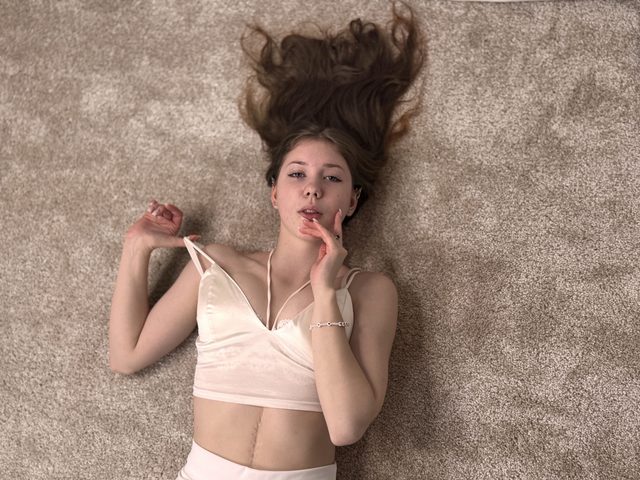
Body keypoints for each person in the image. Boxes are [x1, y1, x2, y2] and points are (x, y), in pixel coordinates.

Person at [109, 2, 424, 478]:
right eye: (297, 174)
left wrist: (325, 294)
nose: (312, 188)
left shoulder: (369, 291)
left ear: (352, 199)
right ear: (275, 193)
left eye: (331, 177)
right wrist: (137, 248)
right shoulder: (217, 264)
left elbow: (346, 426)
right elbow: (127, 355)